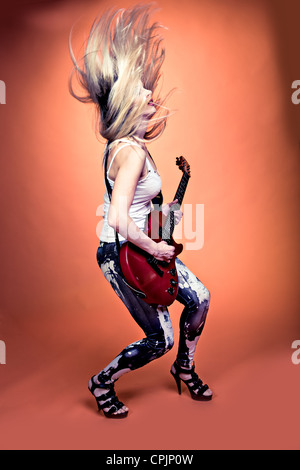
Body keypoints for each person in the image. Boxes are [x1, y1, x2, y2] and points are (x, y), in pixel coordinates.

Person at [69, 4, 212, 419]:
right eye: (141, 90)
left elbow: (133, 206)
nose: (151, 95)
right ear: (126, 102)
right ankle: (102, 383)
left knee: (199, 298)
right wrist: (157, 245)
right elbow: (115, 218)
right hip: (122, 255)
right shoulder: (129, 153)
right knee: (159, 338)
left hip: (141, 245)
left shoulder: (135, 147)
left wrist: (162, 215)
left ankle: (184, 370)